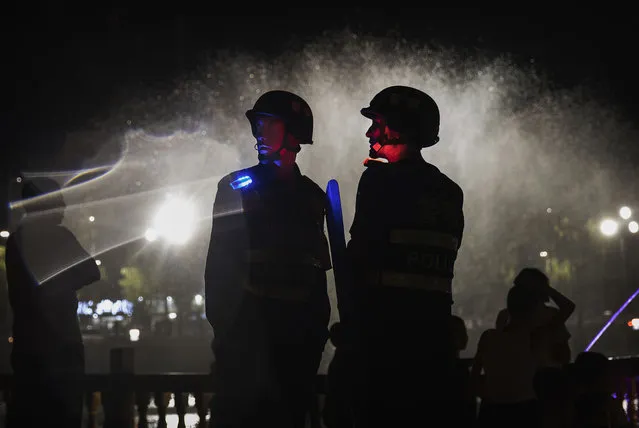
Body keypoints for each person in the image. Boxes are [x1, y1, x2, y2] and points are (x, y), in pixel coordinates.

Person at [204, 90, 332, 428]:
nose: (259, 134)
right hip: (248, 339)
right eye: (257, 125)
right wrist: (227, 335)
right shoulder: (236, 187)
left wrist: (316, 333)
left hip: (297, 342)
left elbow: (319, 271)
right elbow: (219, 266)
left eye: (269, 125)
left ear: (294, 133)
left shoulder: (313, 197)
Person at [339, 85, 465, 427]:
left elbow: (362, 254)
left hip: (383, 338)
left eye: (377, 124)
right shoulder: (449, 192)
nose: (369, 132)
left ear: (399, 128)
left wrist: (352, 322)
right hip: (434, 340)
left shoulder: (379, 181)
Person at [5, 177, 101, 428]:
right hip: (62, 347)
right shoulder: (59, 237)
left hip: (27, 346)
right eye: (58, 200)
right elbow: (91, 271)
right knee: (63, 415)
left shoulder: (16, 241)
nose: (64, 206)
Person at [470, 268, 575, 428]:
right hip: (532, 396)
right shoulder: (541, 331)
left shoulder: (491, 333)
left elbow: (478, 373)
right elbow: (564, 354)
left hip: (494, 405)